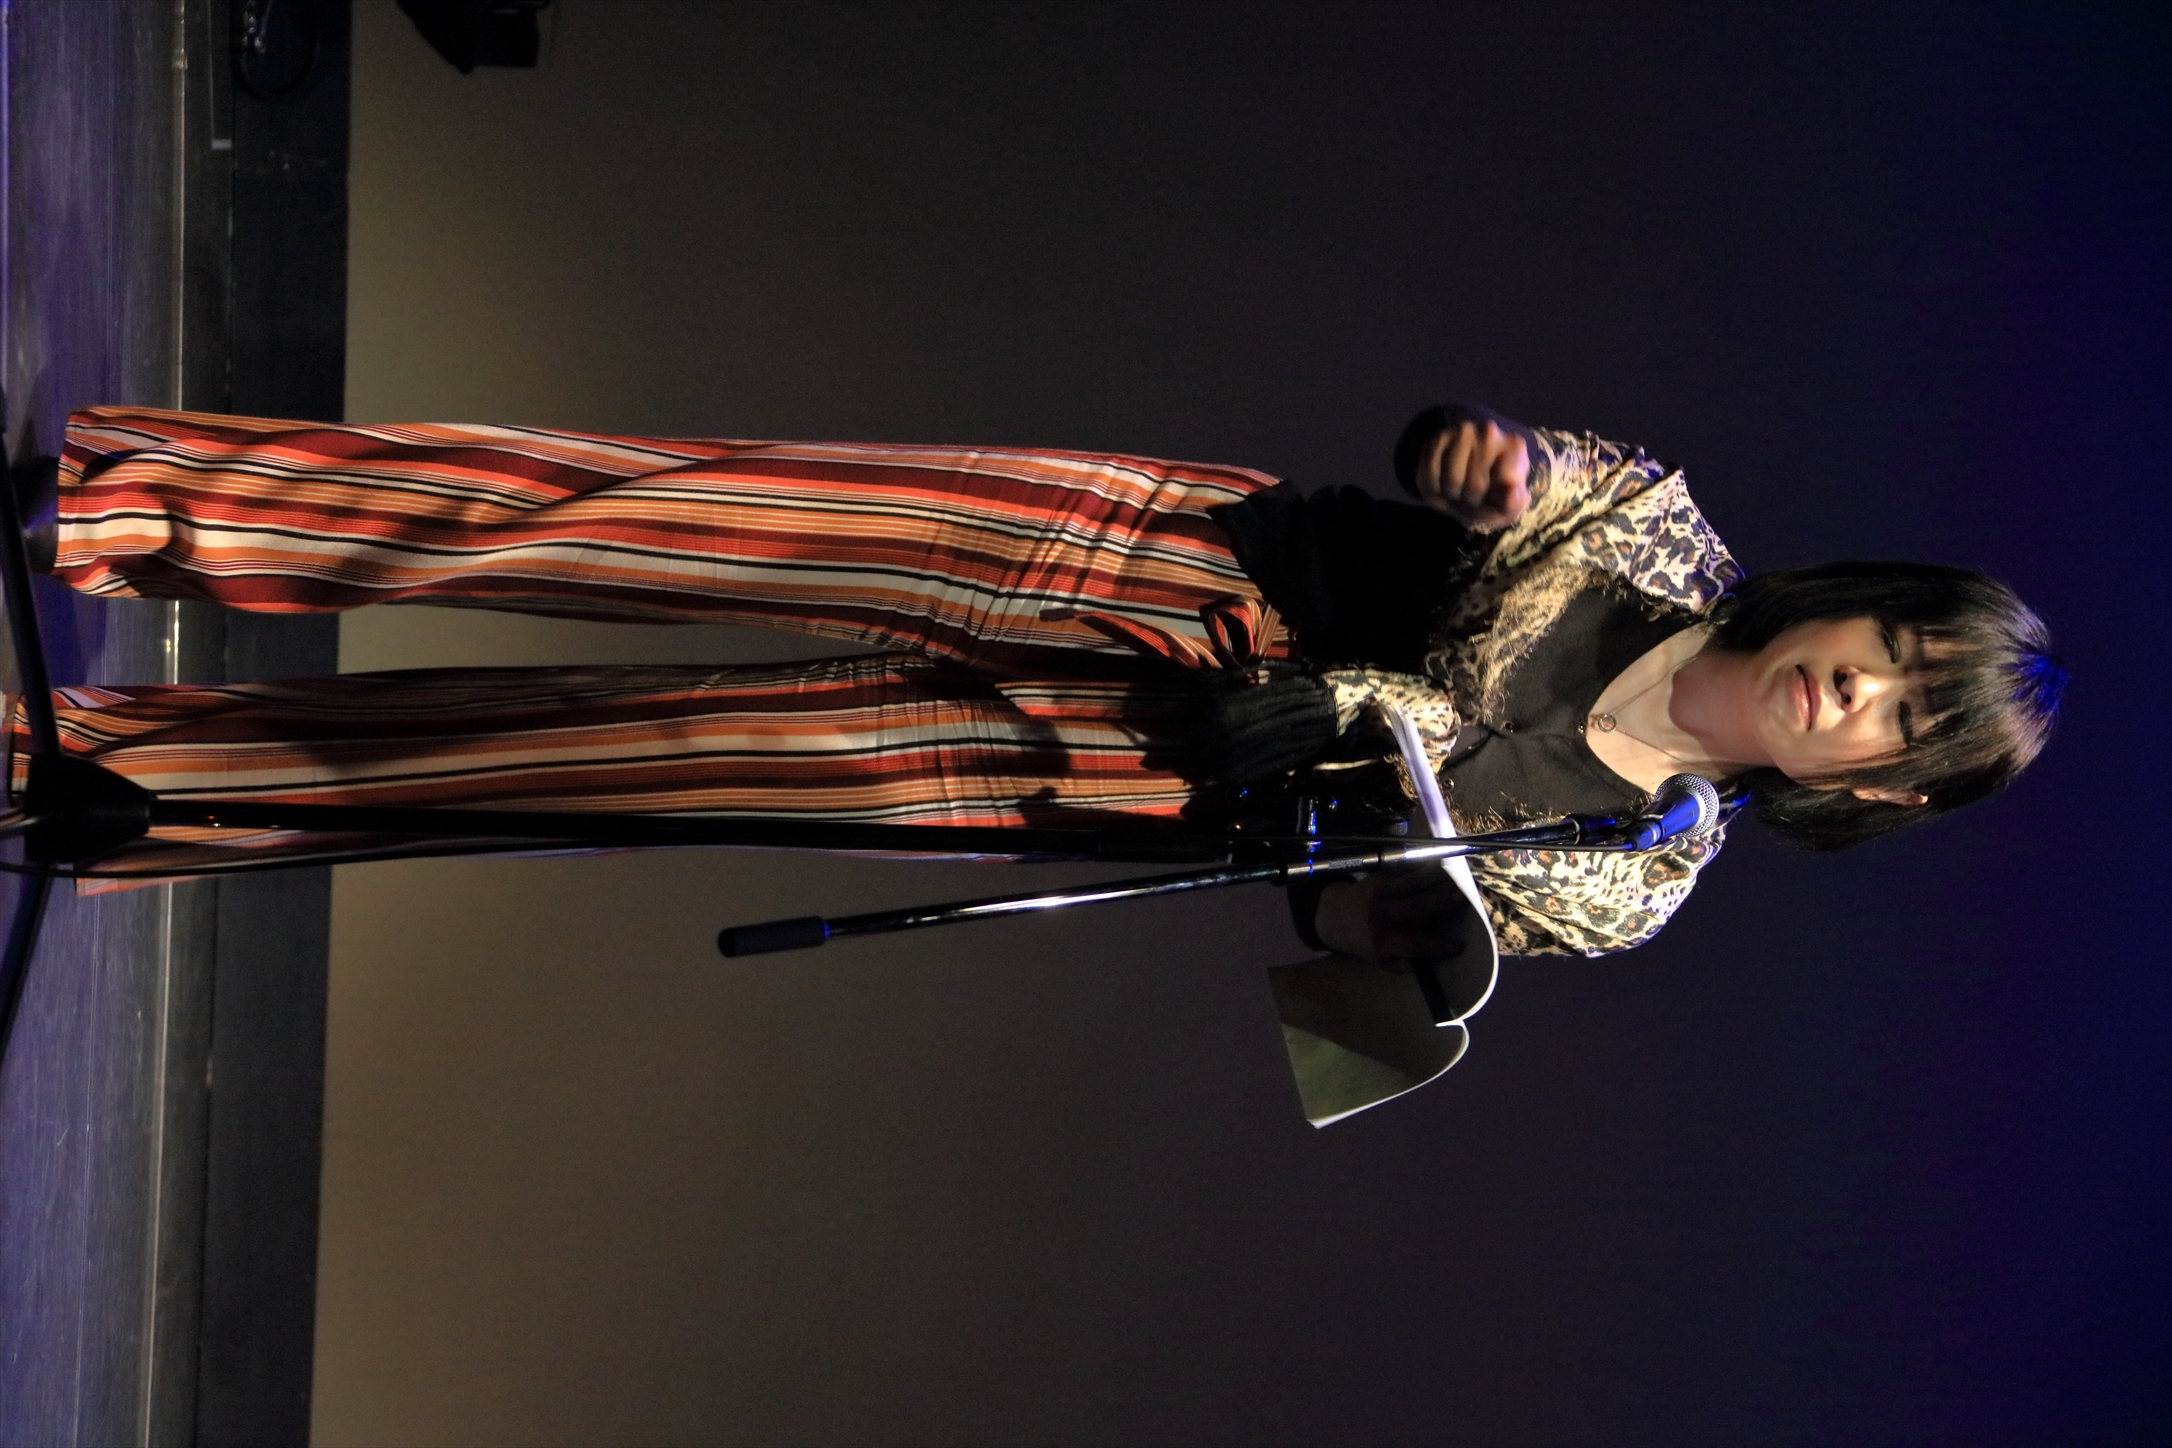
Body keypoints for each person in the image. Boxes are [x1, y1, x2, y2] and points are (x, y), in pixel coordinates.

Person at [4, 402, 2063, 960]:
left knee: (625, 755)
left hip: (1130, 772)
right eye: (1889, 649)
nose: (1858, 691)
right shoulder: (1665, 534)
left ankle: (98, 767)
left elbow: (1390, 935)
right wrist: (1480, 466)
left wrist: (1392, 887)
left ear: (1883, 789)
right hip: (1166, 562)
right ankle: (154, 506)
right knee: (666, 522)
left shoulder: (1641, 870)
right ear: (1852, 603)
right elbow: (1516, 467)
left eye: (1904, 715)